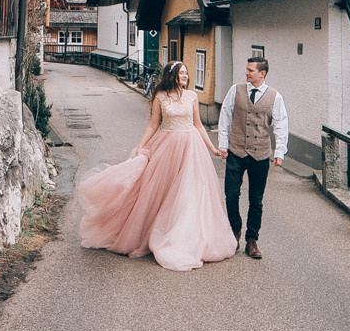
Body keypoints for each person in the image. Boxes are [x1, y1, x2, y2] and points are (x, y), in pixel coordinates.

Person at [79, 61, 237, 271]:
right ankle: (162, 231)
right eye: (182, 73)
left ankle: (188, 237)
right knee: (164, 192)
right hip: (168, 147)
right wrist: (141, 147)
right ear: (172, 75)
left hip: (191, 147)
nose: (185, 76)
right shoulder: (160, 97)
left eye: (186, 73)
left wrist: (213, 149)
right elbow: (154, 124)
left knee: (190, 192)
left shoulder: (192, 96)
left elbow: (198, 125)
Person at [217, 57, 288, 260]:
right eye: (247, 69)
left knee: (256, 200)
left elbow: (281, 124)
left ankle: (252, 240)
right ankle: (234, 231)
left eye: (250, 70)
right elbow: (225, 117)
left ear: (262, 74)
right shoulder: (235, 90)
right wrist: (223, 144)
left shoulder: (275, 96)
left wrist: (279, 152)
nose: (246, 73)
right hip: (236, 151)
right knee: (231, 195)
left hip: (260, 154)